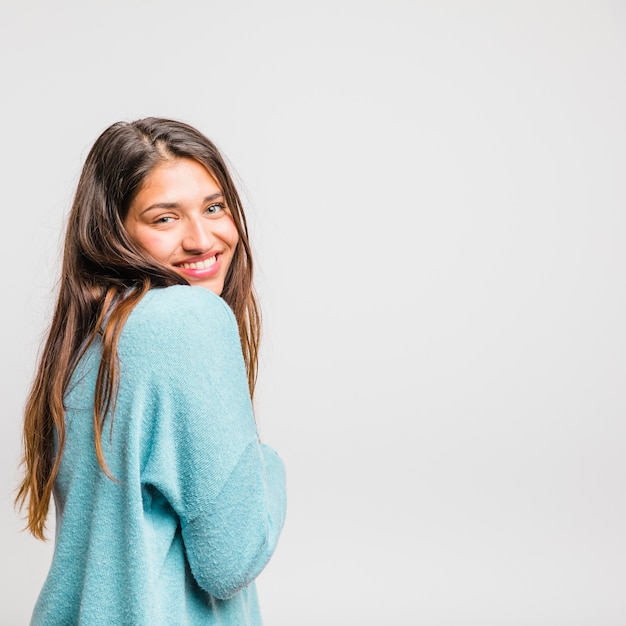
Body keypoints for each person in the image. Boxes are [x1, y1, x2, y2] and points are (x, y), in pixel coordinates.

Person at [15, 117, 287, 625]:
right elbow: (232, 559)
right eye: (165, 219)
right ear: (114, 233)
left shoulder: (89, 336)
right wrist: (263, 463)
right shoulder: (187, 320)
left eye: (214, 207)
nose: (202, 239)